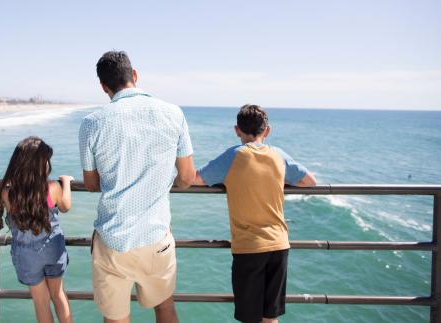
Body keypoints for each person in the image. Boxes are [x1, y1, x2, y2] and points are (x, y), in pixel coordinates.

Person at [79, 51, 195, 323]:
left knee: (116, 318)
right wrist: (168, 181)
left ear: (103, 87)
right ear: (135, 75)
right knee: (165, 308)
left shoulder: (92, 123)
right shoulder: (173, 113)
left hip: (113, 240)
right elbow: (188, 177)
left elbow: (91, 184)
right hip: (156, 236)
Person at [193, 104, 317, 323]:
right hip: (279, 245)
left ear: (237, 130)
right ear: (267, 130)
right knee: (270, 318)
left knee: (250, 318)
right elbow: (310, 181)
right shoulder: (278, 155)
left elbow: (195, 180)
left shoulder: (233, 156)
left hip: (249, 247)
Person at [0, 136, 73, 323]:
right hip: (53, 251)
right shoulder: (52, 188)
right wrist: (67, 183)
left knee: (40, 301)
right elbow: (66, 206)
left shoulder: (8, 193)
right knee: (58, 295)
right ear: (40, 164)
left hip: (27, 256)